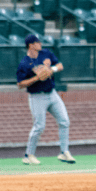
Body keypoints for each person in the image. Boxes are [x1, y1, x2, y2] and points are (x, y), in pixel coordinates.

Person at [16, 34, 75, 165]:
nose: (40, 44)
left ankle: (64, 152)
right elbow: (20, 84)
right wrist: (37, 78)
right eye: (37, 42)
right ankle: (28, 155)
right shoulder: (25, 62)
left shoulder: (45, 53)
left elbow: (60, 65)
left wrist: (51, 69)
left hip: (52, 94)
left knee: (64, 121)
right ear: (31, 45)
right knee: (39, 127)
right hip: (37, 97)